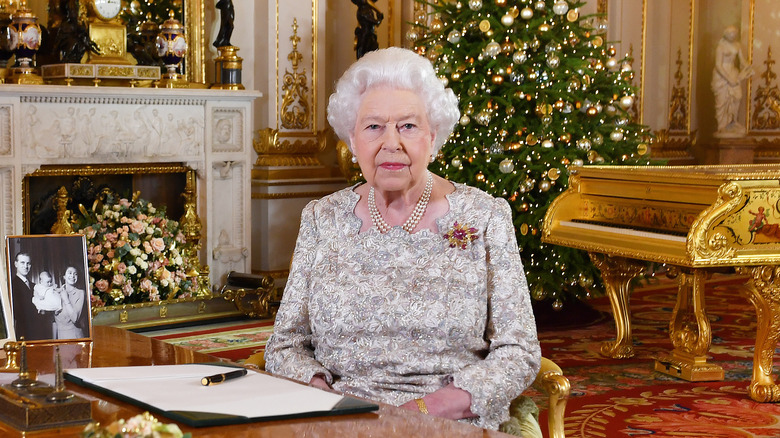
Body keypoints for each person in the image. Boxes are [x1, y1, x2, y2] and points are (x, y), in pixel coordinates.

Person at [265, 47, 541, 433]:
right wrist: (322, 397)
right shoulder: (320, 218)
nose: (391, 143)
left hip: (449, 421)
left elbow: (519, 352)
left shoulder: (485, 216)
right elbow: (284, 346)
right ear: (352, 138)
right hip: (342, 418)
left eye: (408, 126)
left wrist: (425, 411)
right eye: (374, 126)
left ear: (432, 136)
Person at [711, 25, 753, 135]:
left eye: (734, 33)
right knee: (722, 101)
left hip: (733, 72)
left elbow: (742, 61)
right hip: (722, 75)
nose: (732, 35)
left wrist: (748, 67)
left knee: (737, 96)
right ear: (725, 34)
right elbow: (718, 65)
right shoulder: (720, 47)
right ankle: (722, 126)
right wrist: (729, 79)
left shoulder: (737, 46)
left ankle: (732, 121)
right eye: (730, 33)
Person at [10, 252, 54, 340]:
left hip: (39, 332)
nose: (25, 266)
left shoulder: (34, 286)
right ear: (16, 264)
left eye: (28, 263)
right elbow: (18, 312)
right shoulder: (12, 285)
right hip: (24, 333)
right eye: (22, 263)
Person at [54, 266, 86, 339]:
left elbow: (74, 318)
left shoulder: (80, 293)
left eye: (75, 274)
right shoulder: (56, 292)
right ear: (64, 276)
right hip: (60, 336)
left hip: (74, 335)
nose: (72, 276)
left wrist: (66, 299)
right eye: (70, 273)